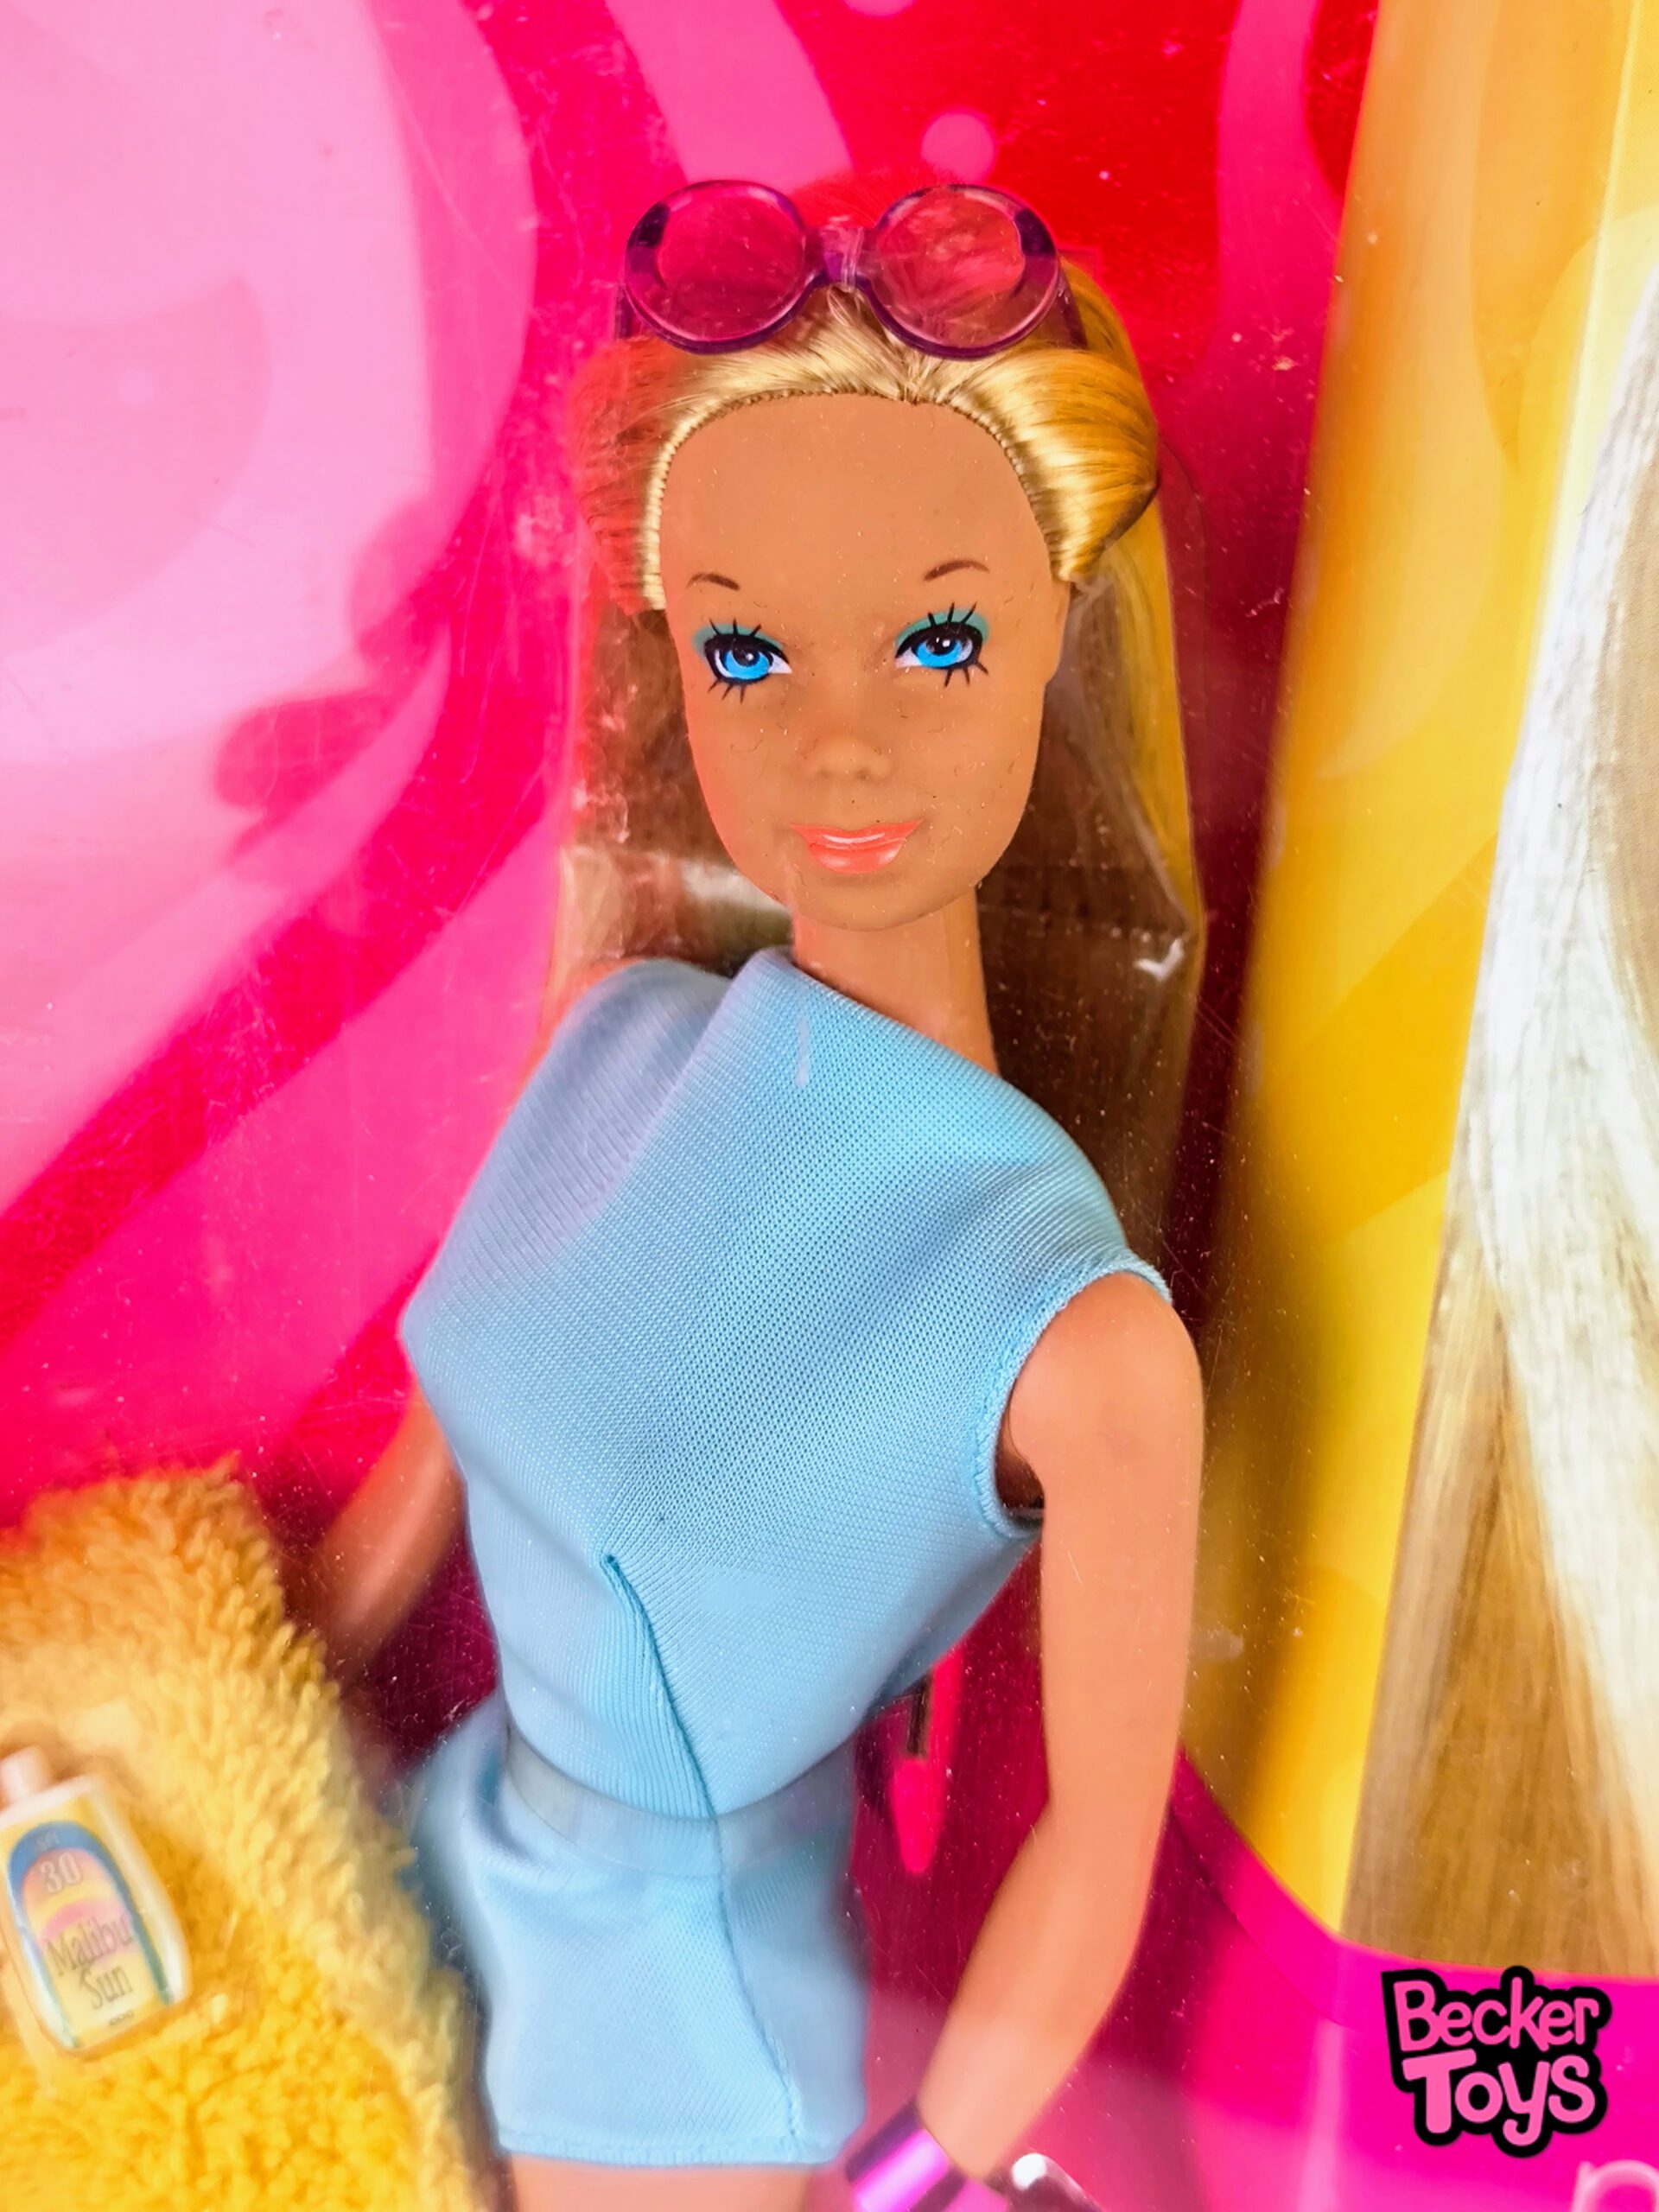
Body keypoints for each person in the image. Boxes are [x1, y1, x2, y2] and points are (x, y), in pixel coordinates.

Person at [302, 181, 1204, 2212]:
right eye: (748, 649)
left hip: (673, 2026)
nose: (840, 740)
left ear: (1052, 629)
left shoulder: (1072, 1330)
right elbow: (416, 1486)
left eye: (939, 642)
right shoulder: (620, 1037)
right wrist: (218, 1709)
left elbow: (1097, 1847)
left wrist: (915, 2180)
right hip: (429, 1851)